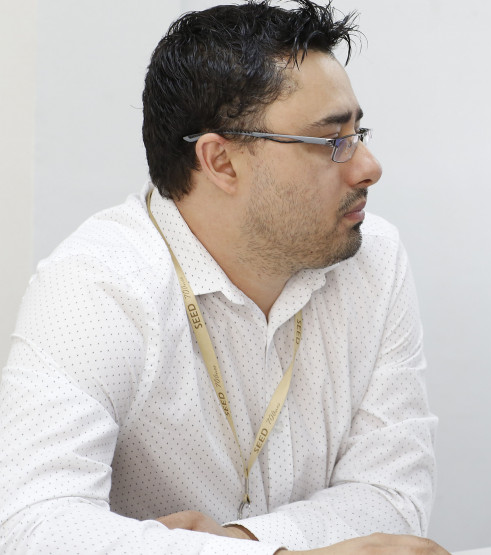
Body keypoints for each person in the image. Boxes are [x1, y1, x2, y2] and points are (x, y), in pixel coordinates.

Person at [0, 2, 446, 554]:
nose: (368, 165)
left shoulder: (373, 258)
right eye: (332, 141)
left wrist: (242, 543)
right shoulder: (99, 284)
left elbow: (393, 499)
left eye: (359, 131)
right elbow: (30, 523)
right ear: (221, 161)